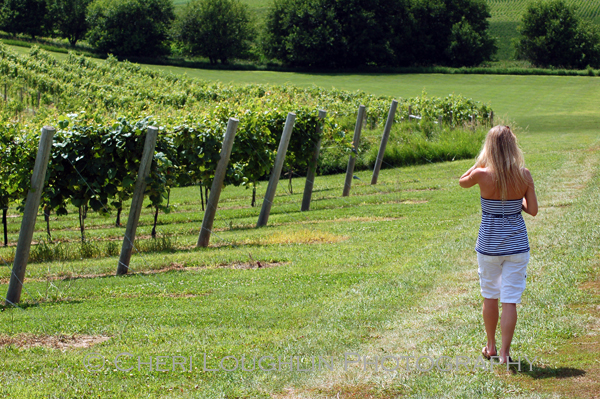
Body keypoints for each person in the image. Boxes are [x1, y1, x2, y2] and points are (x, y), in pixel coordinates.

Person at [459, 125, 538, 365]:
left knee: (490, 296)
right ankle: (505, 353)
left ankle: (491, 346)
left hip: (489, 245)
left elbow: (462, 182)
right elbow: (532, 210)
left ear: (489, 147)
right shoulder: (524, 174)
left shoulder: (481, 174)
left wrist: (478, 163)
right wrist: (517, 203)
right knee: (510, 299)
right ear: (513, 146)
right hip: (516, 246)